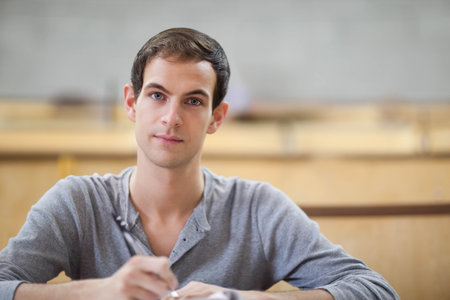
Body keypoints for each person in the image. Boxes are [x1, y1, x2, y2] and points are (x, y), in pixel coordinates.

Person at [0, 27, 399, 300]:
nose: (171, 117)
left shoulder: (258, 208)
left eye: (193, 101)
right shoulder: (76, 202)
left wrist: (242, 299)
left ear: (217, 117)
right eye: (157, 95)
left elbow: (376, 290)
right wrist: (96, 292)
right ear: (130, 103)